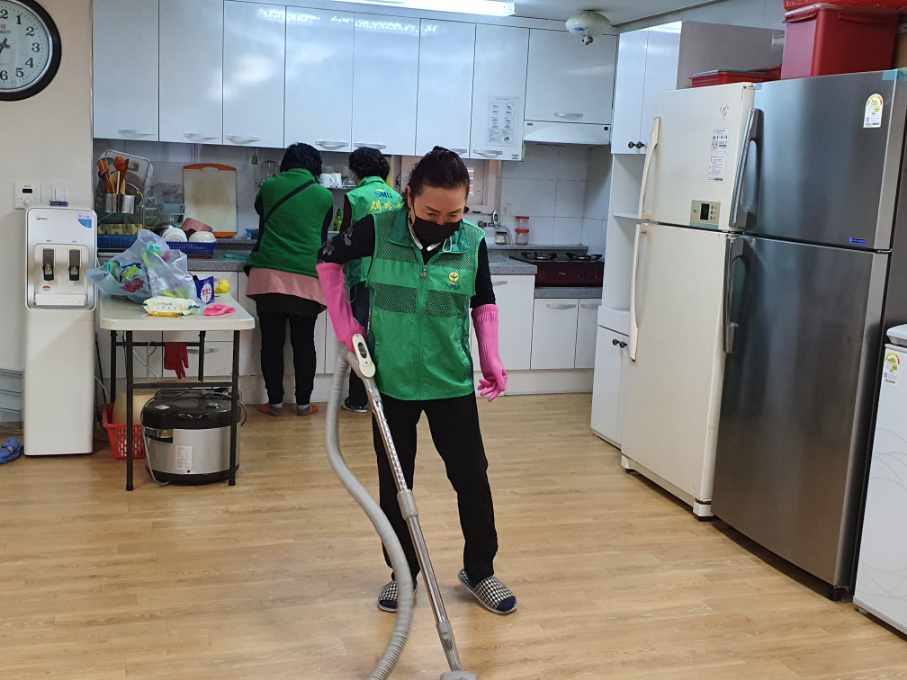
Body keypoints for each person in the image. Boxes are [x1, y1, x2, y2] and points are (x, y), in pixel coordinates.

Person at [317, 147, 517, 615]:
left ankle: (480, 571)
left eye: (454, 214)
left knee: (472, 478)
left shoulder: (471, 240)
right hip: (391, 381)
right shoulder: (377, 229)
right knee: (396, 483)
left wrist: (491, 355)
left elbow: (483, 300)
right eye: (431, 213)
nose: (442, 223)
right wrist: (346, 326)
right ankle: (402, 574)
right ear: (409, 197)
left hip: (451, 381)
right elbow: (327, 260)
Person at [245, 143, 333, 417]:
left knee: (271, 343)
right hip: (307, 277)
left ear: (286, 163)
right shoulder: (324, 196)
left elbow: (261, 213)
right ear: (315, 167)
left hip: (268, 275)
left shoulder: (269, 187)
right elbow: (322, 236)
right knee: (304, 342)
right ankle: (303, 404)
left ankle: (274, 403)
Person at [339, 147, 403, 414]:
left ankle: (358, 399)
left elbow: (345, 239)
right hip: (394, 277)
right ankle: (388, 397)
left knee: (360, 338)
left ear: (356, 171)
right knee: (388, 336)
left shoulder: (355, 197)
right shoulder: (398, 197)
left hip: (364, 276)